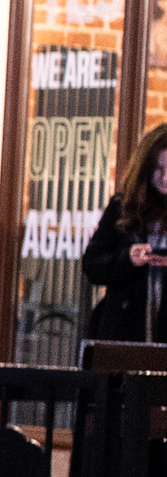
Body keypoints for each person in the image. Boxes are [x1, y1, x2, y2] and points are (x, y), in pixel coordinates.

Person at [84, 119, 167, 342]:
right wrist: (128, 258)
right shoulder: (123, 207)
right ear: (145, 169)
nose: (166, 178)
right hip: (124, 332)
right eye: (159, 169)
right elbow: (92, 265)